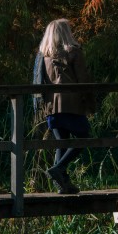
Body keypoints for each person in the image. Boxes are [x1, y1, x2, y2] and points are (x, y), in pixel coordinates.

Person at [36, 19, 95, 194]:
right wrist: (90, 102)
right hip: (71, 104)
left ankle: (63, 184)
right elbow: (83, 80)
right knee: (84, 136)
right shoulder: (74, 52)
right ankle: (58, 169)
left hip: (51, 107)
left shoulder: (43, 56)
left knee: (62, 143)